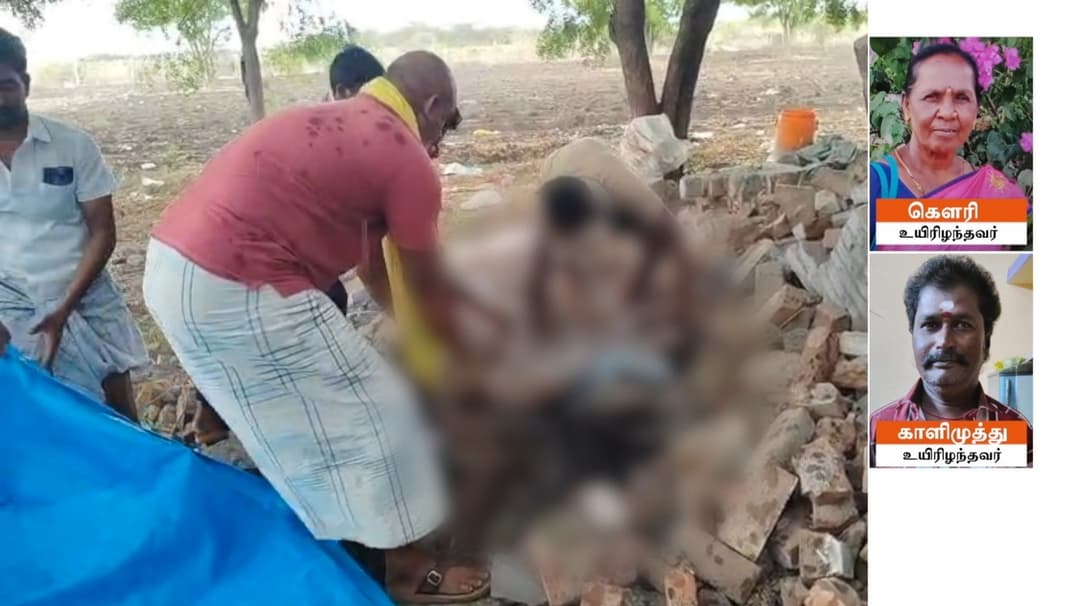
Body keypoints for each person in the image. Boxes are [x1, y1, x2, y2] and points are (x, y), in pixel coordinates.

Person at [142, 50, 493, 602]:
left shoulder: (337, 120)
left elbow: (374, 265)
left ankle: (341, 534)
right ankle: (406, 569)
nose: (440, 142)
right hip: (236, 284)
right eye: (447, 124)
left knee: (311, 418)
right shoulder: (405, 157)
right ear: (431, 105)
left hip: (172, 270)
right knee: (382, 414)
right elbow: (426, 290)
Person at [189, 46, 386, 448]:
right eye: (370, 97)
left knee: (325, 298)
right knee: (289, 312)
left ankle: (246, 413)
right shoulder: (324, 134)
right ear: (343, 91)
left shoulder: (336, 131)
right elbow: (367, 256)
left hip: (257, 245)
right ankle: (215, 421)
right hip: (242, 248)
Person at [0, 28, 147, 421]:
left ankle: (134, 456)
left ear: (26, 83)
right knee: (44, 408)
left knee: (118, 406)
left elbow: (103, 231)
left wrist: (65, 305)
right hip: (13, 301)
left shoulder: (72, 145)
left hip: (85, 292)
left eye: (5, 86)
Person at [868, 255, 1032, 467]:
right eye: (930, 325)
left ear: (986, 340)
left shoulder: (1018, 433)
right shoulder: (877, 430)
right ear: (913, 337)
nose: (944, 342)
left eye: (962, 325)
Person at [869, 43, 1027, 251]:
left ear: (976, 111)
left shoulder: (992, 191)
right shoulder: (876, 185)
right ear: (907, 106)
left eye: (962, 98)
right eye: (932, 97)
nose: (947, 112)